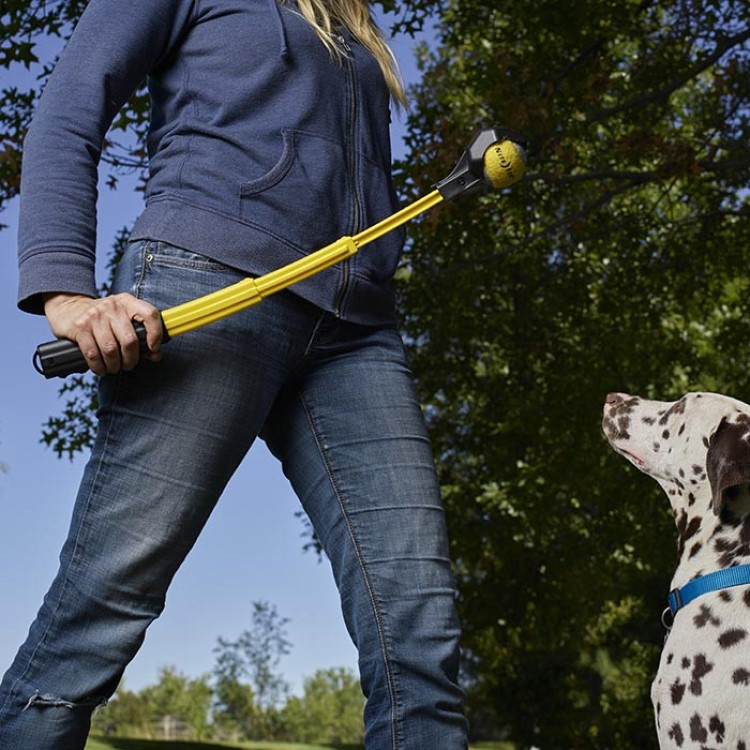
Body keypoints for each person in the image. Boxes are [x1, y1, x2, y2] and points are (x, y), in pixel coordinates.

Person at [0, 1, 468, 747]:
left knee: (422, 636)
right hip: (208, 289)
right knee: (99, 614)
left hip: (358, 332)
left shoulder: (353, 23)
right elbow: (71, 102)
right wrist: (63, 289)